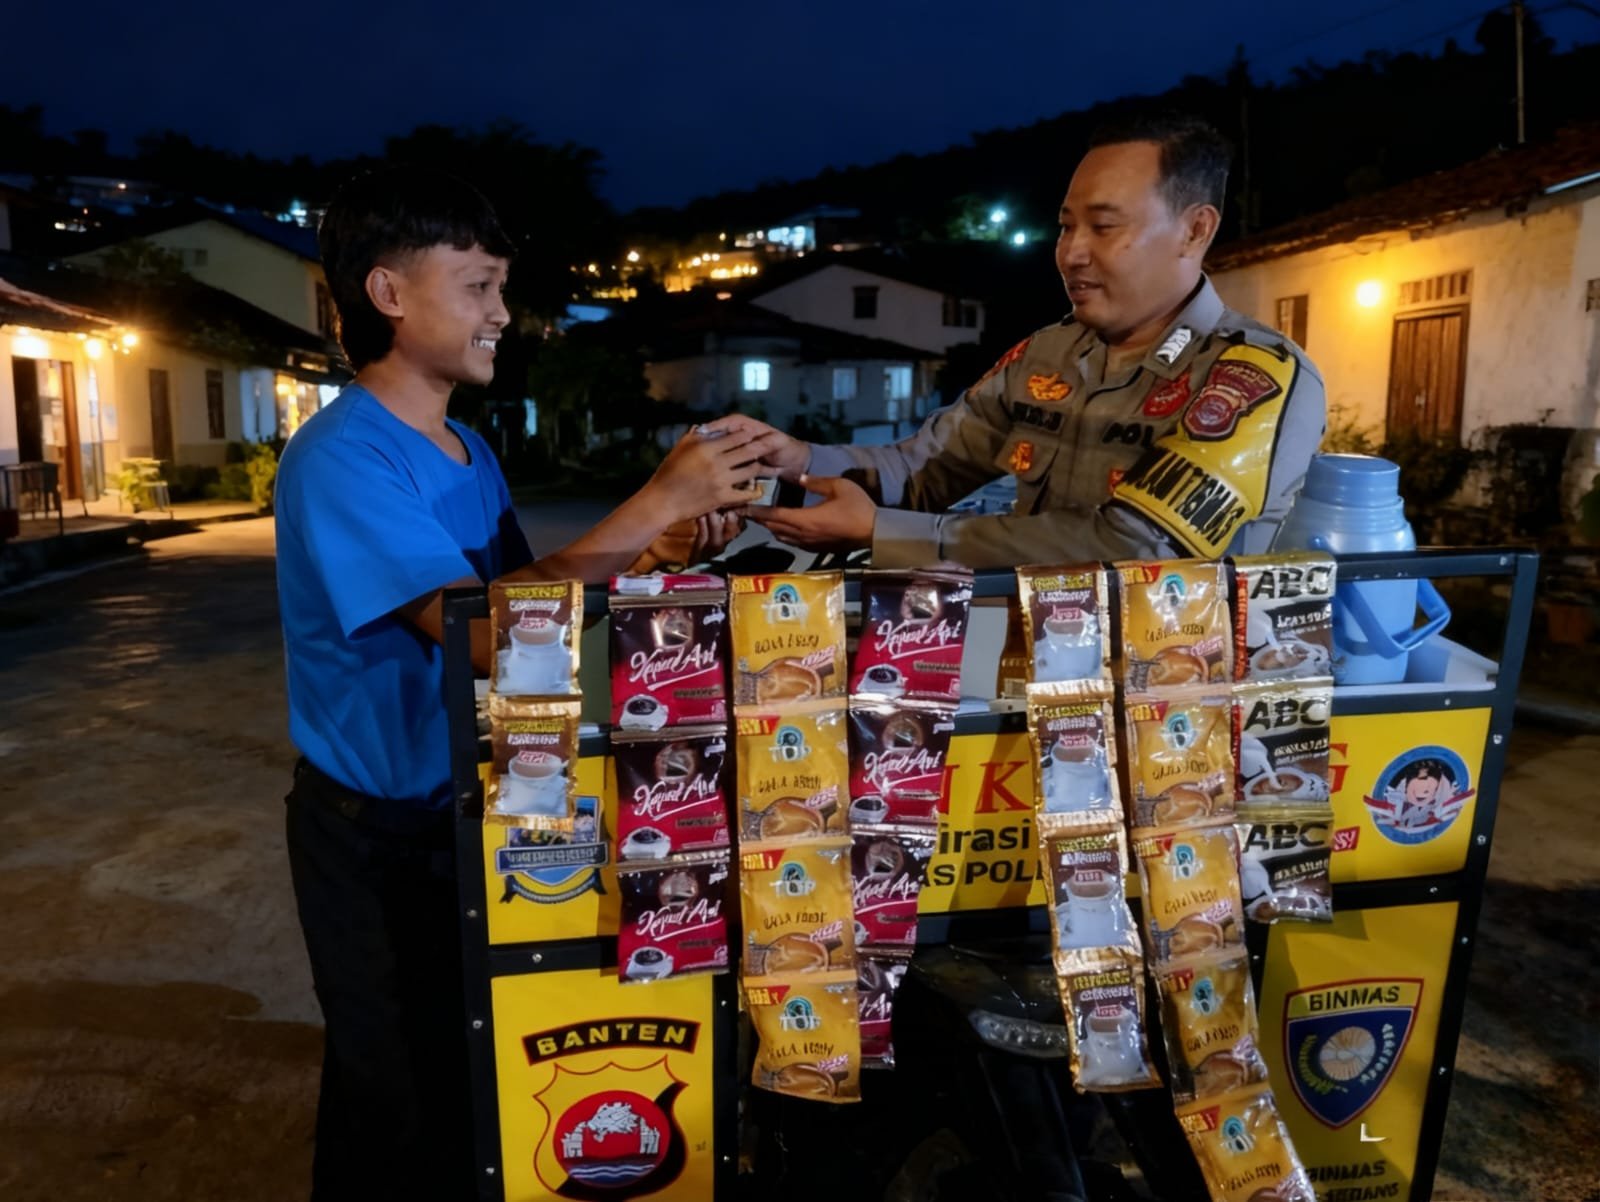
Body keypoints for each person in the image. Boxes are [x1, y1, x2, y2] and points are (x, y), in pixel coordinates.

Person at [273, 167, 774, 1199]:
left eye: (502, 286)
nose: (503, 312)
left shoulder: (467, 447)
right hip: (376, 834)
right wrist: (649, 502)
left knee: (457, 1075)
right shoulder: (341, 458)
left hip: (469, 811)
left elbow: (532, 600)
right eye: (478, 285)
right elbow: (489, 636)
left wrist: (656, 546)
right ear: (388, 293)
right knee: (395, 1097)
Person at [717, 112, 1326, 568]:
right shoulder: (1048, 355)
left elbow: (1139, 546)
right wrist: (801, 460)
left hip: (1175, 685)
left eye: (1103, 227)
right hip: (1031, 668)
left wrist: (889, 533)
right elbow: (924, 469)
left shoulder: (1253, 377)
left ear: (1194, 231)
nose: (1072, 253)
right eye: (1065, 227)